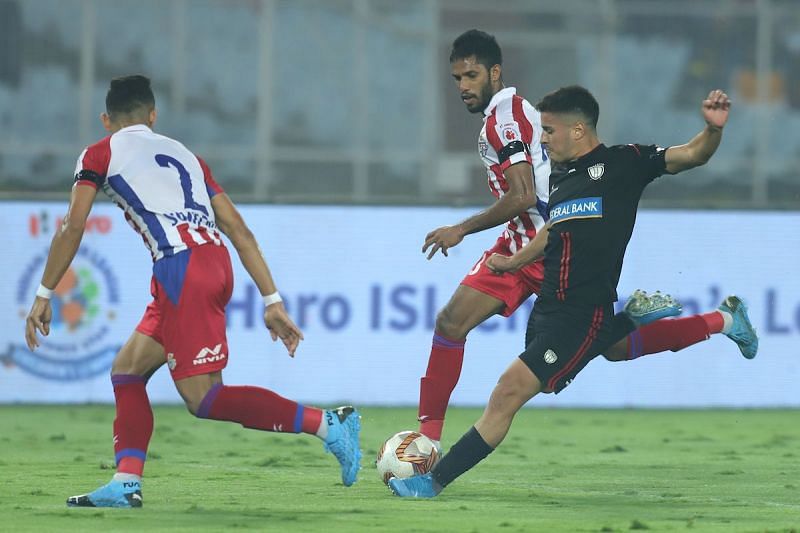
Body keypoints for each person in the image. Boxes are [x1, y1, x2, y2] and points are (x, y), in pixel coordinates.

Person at [391, 85, 758, 497]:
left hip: (584, 313)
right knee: (615, 349)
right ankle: (723, 320)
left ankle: (432, 483)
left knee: (507, 393)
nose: (542, 139)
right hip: (552, 307)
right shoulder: (561, 177)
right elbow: (552, 230)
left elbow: (692, 154)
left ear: (579, 130)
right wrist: (514, 263)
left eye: (548, 131)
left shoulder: (625, 163)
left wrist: (712, 130)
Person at [24, 75, 362, 508]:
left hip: (180, 268)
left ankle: (328, 424)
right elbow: (237, 229)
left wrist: (45, 292)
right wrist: (271, 299)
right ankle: (126, 483)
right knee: (127, 371)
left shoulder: (99, 153)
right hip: (209, 263)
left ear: (107, 119)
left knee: (204, 399)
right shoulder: (188, 156)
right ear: (152, 115)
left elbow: (73, 224)